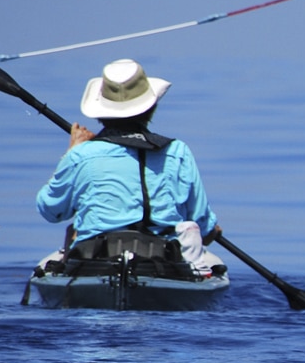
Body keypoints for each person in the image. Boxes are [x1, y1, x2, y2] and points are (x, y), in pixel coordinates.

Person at [35, 58, 222, 273]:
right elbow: (203, 226)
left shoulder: (80, 154)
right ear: (151, 108)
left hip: (94, 261)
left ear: (101, 111)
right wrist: (212, 230)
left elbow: (51, 211)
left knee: (71, 235)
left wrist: (70, 153)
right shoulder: (177, 152)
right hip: (162, 261)